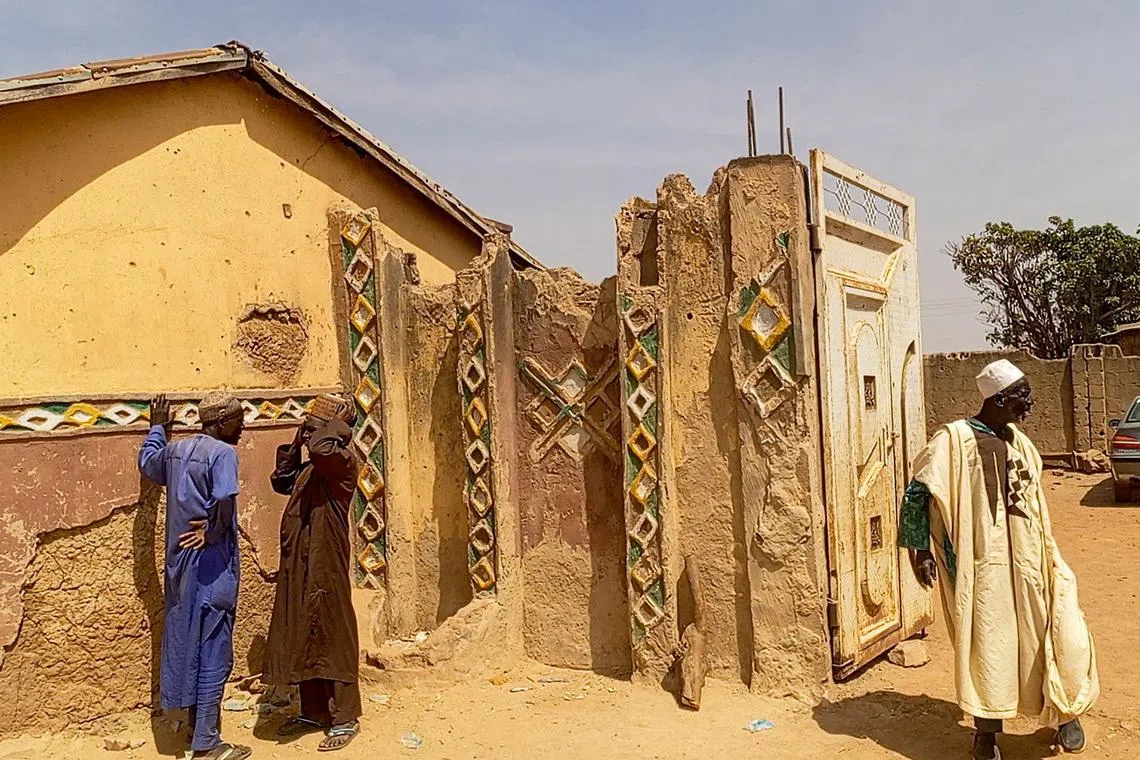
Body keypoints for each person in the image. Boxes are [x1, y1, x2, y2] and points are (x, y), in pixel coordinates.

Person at [899, 359, 1099, 759]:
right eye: (1022, 395)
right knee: (988, 646)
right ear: (999, 397)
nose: (1030, 403)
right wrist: (920, 549)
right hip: (981, 568)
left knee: (1057, 629)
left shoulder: (1020, 441)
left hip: (1031, 561)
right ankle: (986, 733)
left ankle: (1065, 711)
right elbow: (919, 491)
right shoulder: (953, 439)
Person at [139, 391, 251, 760]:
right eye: (237, 419)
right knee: (214, 648)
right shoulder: (223, 454)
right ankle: (207, 742)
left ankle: (191, 726)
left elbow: (148, 464)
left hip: (179, 568)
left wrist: (158, 428)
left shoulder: (175, 451)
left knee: (186, 643)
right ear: (220, 423)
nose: (243, 425)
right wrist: (214, 532)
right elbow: (225, 498)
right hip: (212, 566)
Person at [263, 394, 362, 752]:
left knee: (333, 629)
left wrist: (332, 424)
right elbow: (281, 477)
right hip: (302, 561)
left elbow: (322, 449)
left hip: (327, 559)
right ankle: (315, 710)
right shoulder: (312, 468)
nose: (308, 436)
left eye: (313, 429)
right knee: (305, 626)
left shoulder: (342, 463)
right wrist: (299, 433)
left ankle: (345, 716)